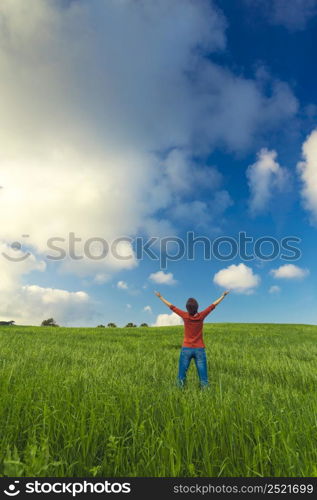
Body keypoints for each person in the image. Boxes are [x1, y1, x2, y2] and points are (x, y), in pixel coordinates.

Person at [154, 290, 230, 388]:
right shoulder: (202, 316)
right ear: (197, 307)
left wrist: (160, 297)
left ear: (187, 308)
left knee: (181, 376)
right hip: (199, 349)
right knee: (204, 378)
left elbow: (171, 307)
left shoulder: (185, 316)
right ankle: (205, 394)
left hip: (186, 348)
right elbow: (213, 306)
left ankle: (179, 394)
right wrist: (223, 296)